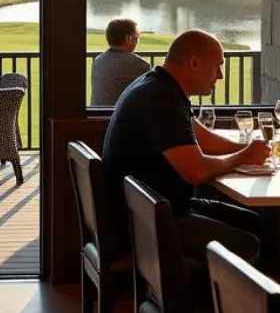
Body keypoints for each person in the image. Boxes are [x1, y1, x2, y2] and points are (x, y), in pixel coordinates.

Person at [101, 29, 268, 266]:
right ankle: (228, 302)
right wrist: (242, 157)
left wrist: (247, 148)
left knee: (254, 222)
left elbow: (202, 139)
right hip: (149, 222)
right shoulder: (161, 99)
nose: (220, 76)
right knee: (250, 243)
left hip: (151, 208)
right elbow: (195, 172)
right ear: (194, 63)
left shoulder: (159, 85)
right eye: (217, 66)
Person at [89, 18, 150, 107]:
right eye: (136, 37)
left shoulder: (98, 60)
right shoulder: (139, 65)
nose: (137, 42)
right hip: (119, 118)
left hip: (96, 114)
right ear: (128, 38)